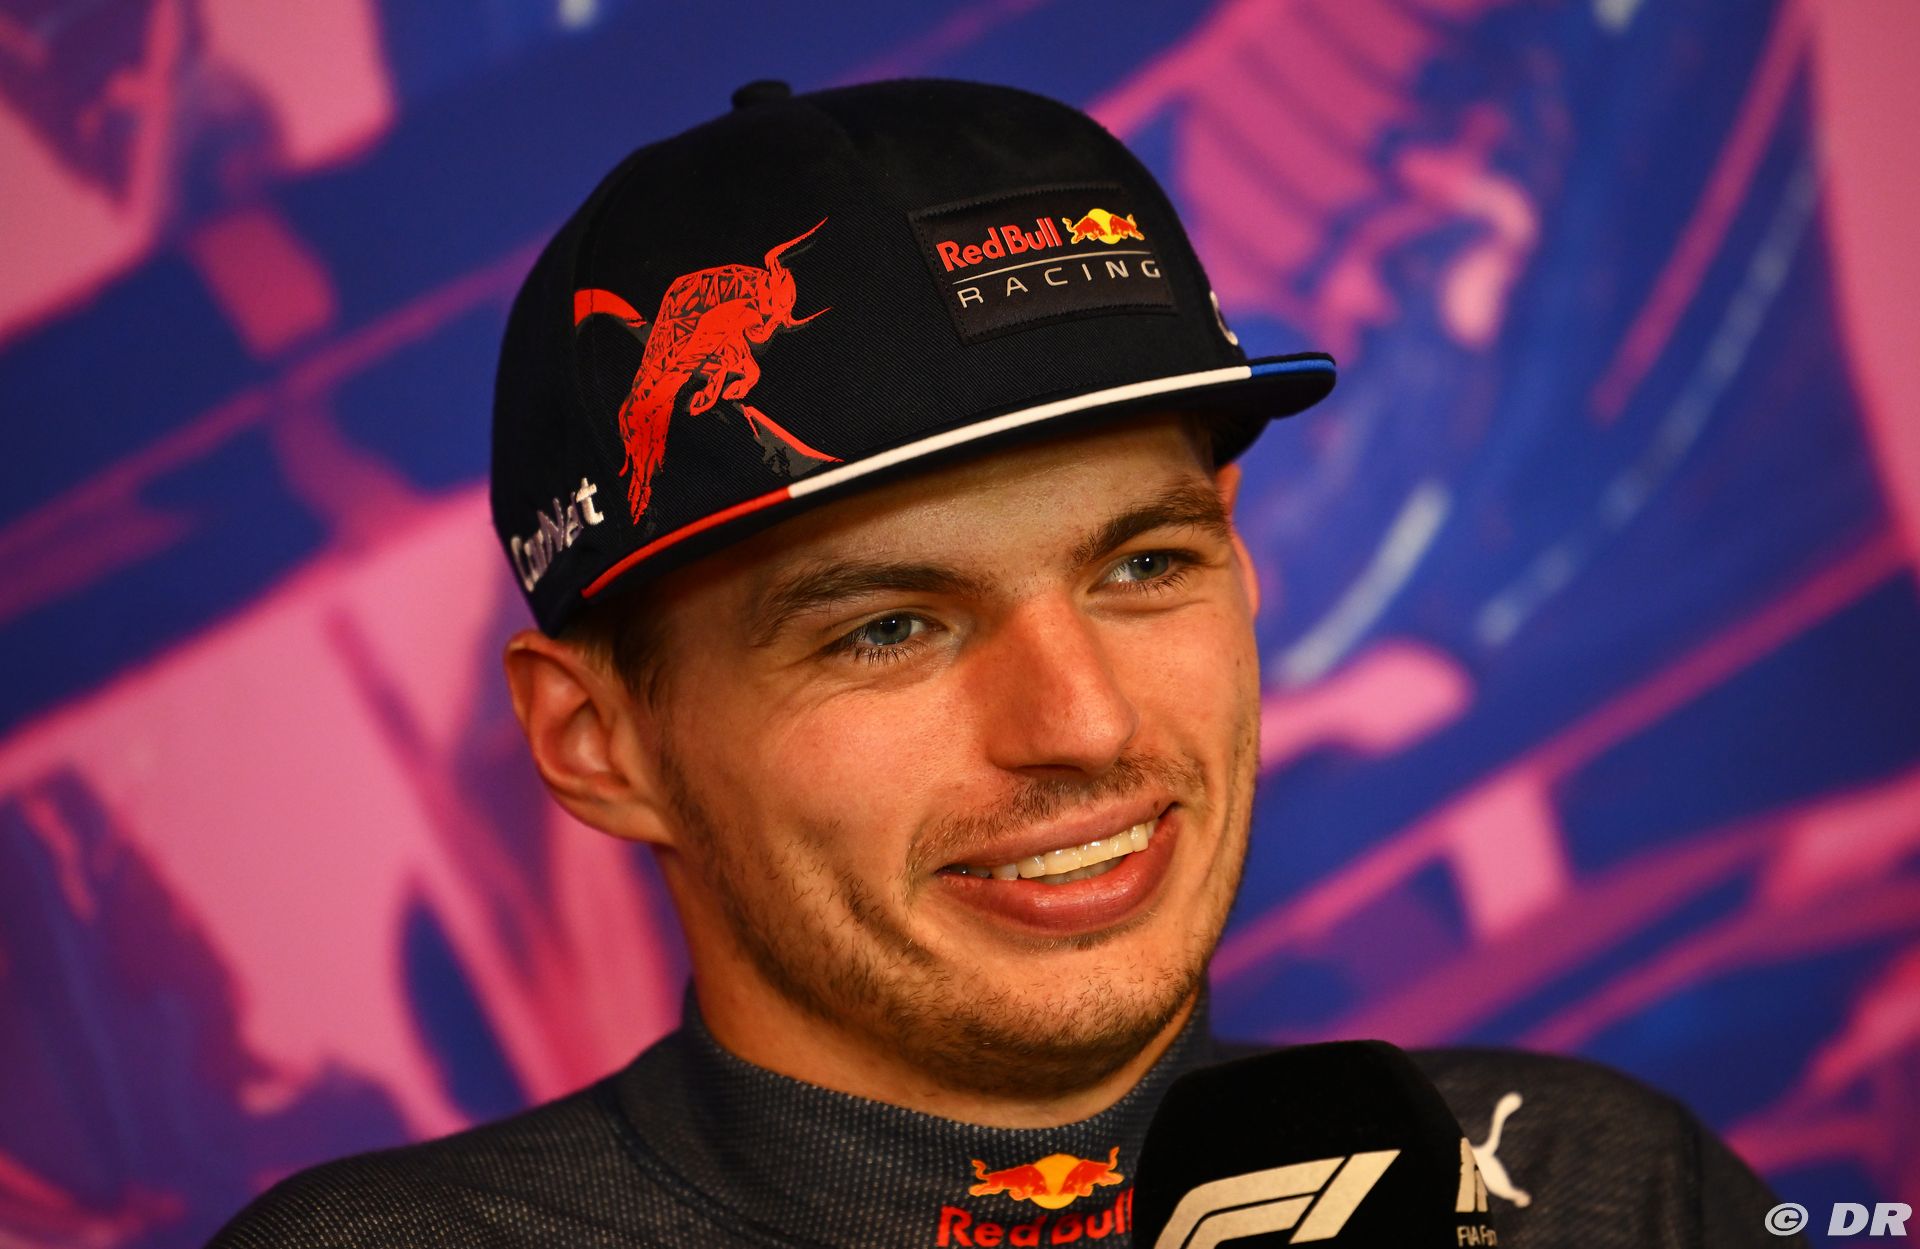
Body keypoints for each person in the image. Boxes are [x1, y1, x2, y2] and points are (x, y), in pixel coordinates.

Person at [210, 78, 1795, 1248]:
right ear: (595, 739)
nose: (1082, 721)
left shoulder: (1600, 1189)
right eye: (888, 626)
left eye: (1143, 565)